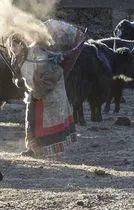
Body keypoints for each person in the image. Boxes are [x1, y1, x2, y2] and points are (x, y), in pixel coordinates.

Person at [18, 20, 86, 160]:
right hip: (36, 95)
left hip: (48, 97)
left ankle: (47, 151)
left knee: (45, 125)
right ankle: (32, 149)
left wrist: (37, 92)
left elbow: (50, 77)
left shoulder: (48, 55)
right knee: (31, 123)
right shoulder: (32, 51)